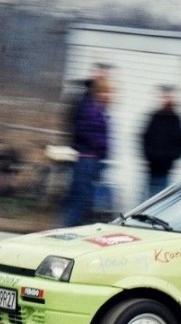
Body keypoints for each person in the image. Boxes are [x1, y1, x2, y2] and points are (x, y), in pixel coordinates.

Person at [62, 70, 113, 227]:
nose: (108, 95)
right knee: (81, 198)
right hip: (87, 158)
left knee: (82, 198)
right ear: (98, 92)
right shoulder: (90, 107)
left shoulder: (98, 109)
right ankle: (66, 229)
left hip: (92, 159)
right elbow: (86, 130)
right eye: (105, 91)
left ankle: (67, 227)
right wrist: (100, 145)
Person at [141, 85, 181, 200]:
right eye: (165, 97)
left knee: (159, 200)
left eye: (170, 97)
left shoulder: (177, 120)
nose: (167, 100)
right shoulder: (154, 117)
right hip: (150, 169)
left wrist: (169, 157)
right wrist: (149, 155)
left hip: (165, 171)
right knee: (144, 202)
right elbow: (144, 137)